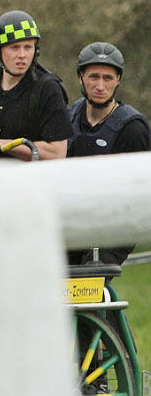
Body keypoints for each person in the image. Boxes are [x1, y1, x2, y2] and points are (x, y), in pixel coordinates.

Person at [66, 42, 150, 265]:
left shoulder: (132, 128)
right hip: (73, 218)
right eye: (93, 77)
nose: (100, 85)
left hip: (113, 227)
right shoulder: (70, 116)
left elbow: (139, 192)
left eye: (108, 78)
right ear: (81, 77)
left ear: (118, 80)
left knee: (89, 283)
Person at [0, 10, 72, 160]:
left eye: (28, 47)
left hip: (33, 179)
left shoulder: (48, 88)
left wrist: (5, 145)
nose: (22, 55)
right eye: (14, 47)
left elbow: (57, 152)